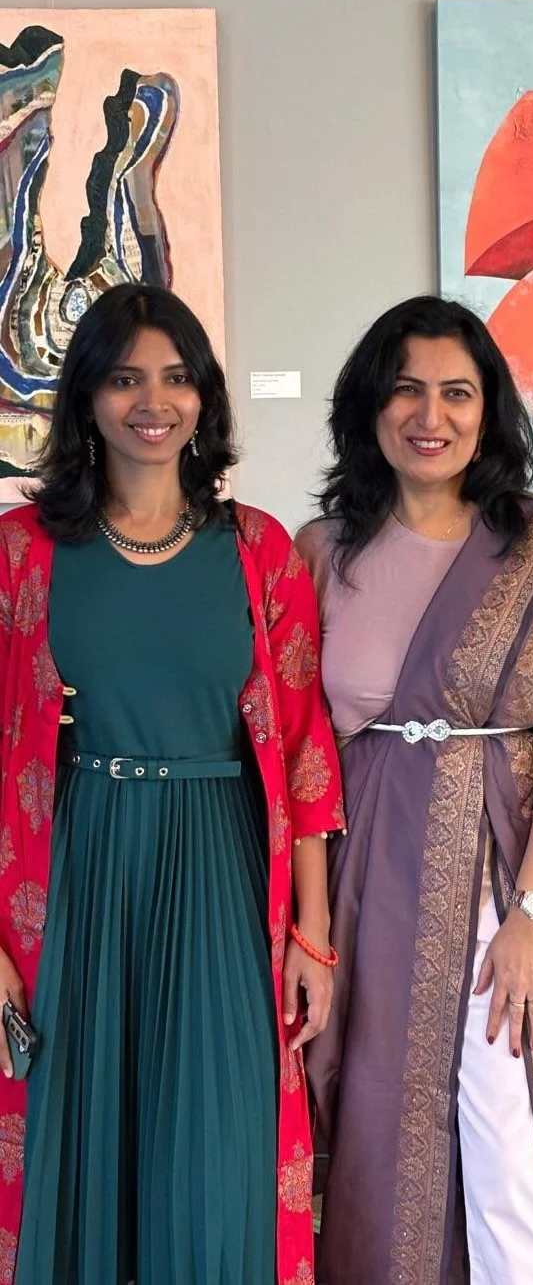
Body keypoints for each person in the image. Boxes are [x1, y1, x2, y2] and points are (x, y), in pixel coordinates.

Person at [0, 285, 343, 1285]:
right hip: (79, 873)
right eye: (124, 379)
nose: (153, 402)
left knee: (220, 1151)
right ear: (86, 397)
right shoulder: (21, 553)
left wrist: (312, 935)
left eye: (177, 377)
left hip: (221, 877)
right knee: (77, 1143)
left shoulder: (261, 550)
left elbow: (305, 754)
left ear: (205, 398)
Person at [298, 295, 533, 1285]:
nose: (430, 415)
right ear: (369, 406)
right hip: (367, 885)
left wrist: (532, 915)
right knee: (377, 1144)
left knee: (512, 1149)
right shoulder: (323, 551)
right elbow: (299, 746)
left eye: (457, 393)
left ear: (488, 413)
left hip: (505, 879)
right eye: (406, 390)